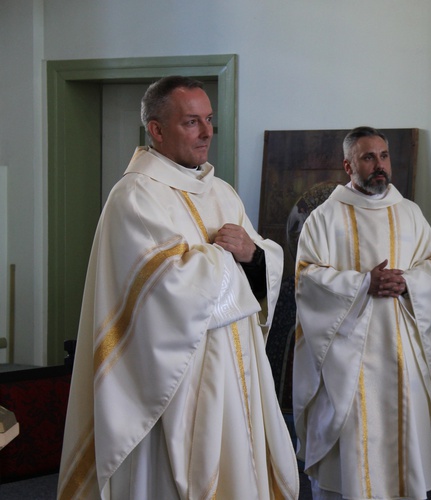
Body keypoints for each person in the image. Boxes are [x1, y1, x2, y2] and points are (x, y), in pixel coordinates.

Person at [57, 76, 299, 499]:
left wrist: (254, 256)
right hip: (173, 382)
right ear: (156, 130)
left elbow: (259, 263)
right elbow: (166, 287)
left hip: (235, 370)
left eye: (209, 120)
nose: (207, 133)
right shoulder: (134, 196)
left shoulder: (222, 193)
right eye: (191, 122)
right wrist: (228, 257)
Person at [293, 126, 431, 499]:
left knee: (402, 445)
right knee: (353, 450)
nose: (379, 165)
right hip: (348, 358)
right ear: (348, 165)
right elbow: (306, 278)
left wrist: (408, 282)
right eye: (368, 157)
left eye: (383, 156)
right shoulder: (325, 218)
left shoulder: (409, 213)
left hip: (401, 352)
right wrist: (364, 284)